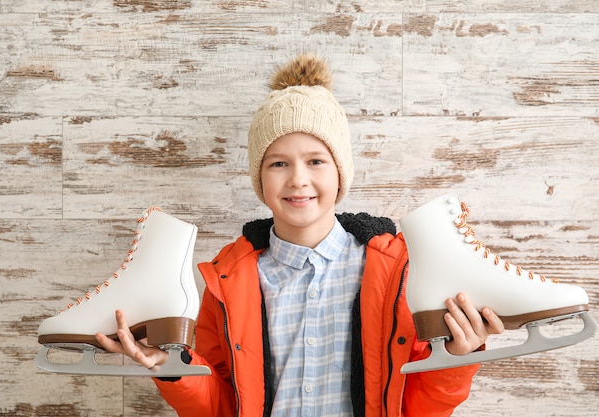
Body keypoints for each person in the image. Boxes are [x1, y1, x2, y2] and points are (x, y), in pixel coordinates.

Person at [96, 53, 504, 417]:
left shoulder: (397, 270)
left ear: (340, 171)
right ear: (259, 176)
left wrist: (455, 358)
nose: (298, 179)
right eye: (278, 163)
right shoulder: (227, 281)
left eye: (315, 161)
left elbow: (417, 406)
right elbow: (219, 405)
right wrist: (169, 367)